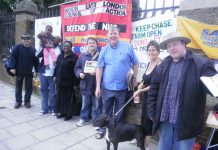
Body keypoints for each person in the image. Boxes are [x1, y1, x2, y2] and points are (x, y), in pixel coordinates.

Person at [147, 32, 217, 150]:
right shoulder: (163, 65)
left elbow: (215, 87)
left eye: (175, 44)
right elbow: (153, 90)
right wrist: (152, 111)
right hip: (165, 119)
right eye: (169, 46)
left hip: (186, 122)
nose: (172, 48)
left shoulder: (200, 64)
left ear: (183, 44)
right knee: (163, 147)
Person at [95, 25, 139, 125]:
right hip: (107, 88)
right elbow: (99, 68)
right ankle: (105, 131)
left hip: (123, 88)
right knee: (106, 112)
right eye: (111, 33)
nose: (113, 35)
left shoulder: (127, 47)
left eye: (115, 33)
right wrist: (97, 86)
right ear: (107, 36)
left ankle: (117, 132)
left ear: (119, 35)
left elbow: (136, 63)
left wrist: (134, 78)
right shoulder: (104, 50)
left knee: (120, 113)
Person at [133, 40, 161, 148]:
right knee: (143, 120)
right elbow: (146, 79)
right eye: (149, 50)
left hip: (153, 99)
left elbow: (155, 85)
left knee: (148, 122)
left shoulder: (160, 65)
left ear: (158, 51)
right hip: (146, 97)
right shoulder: (150, 63)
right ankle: (141, 138)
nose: (151, 52)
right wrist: (141, 84)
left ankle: (146, 146)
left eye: (154, 50)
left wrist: (139, 91)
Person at [75, 37, 102, 127]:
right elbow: (77, 67)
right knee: (85, 104)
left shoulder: (101, 56)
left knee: (97, 105)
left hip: (96, 85)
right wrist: (80, 74)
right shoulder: (82, 56)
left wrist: (97, 73)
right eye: (90, 43)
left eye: (93, 43)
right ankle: (84, 119)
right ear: (87, 45)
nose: (91, 44)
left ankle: (96, 121)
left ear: (96, 44)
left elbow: (104, 68)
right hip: (85, 84)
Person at [9, 33, 39, 109]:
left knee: (29, 87)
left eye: (27, 39)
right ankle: (18, 101)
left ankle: (27, 101)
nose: (26, 41)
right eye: (24, 39)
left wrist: (37, 70)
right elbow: (12, 58)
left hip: (29, 72)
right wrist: (12, 67)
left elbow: (36, 61)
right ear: (21, 40)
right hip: (19, 71)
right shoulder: (17, 48)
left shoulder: (33, 50)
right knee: (18, 87)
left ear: (30, 40)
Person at [35, 36, 61, 116]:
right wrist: (43, 46)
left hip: (53, 74)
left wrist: (57, 74)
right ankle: (44, 109)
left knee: (53, 93)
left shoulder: (60, 49)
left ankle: (53, 109)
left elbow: (60, 62)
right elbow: (36, 55)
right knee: (43, 91)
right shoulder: (45, 47)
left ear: (59, 42)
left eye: (57, 40)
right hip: (43, 73)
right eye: (54, 39)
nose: (55, 41)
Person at [55, 41, 78, 121]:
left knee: (68, 98)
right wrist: (55, 76)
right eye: (64, 46)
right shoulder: (60, 56)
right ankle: (62, 112)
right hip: (60, 81)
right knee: (60, 98)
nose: (65, 47)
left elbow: (75, 70)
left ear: (71, 47)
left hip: (69, 82)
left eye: (68, 46)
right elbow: (57, 67)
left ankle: (69, 114)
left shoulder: (74, 57)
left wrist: (75, 83)